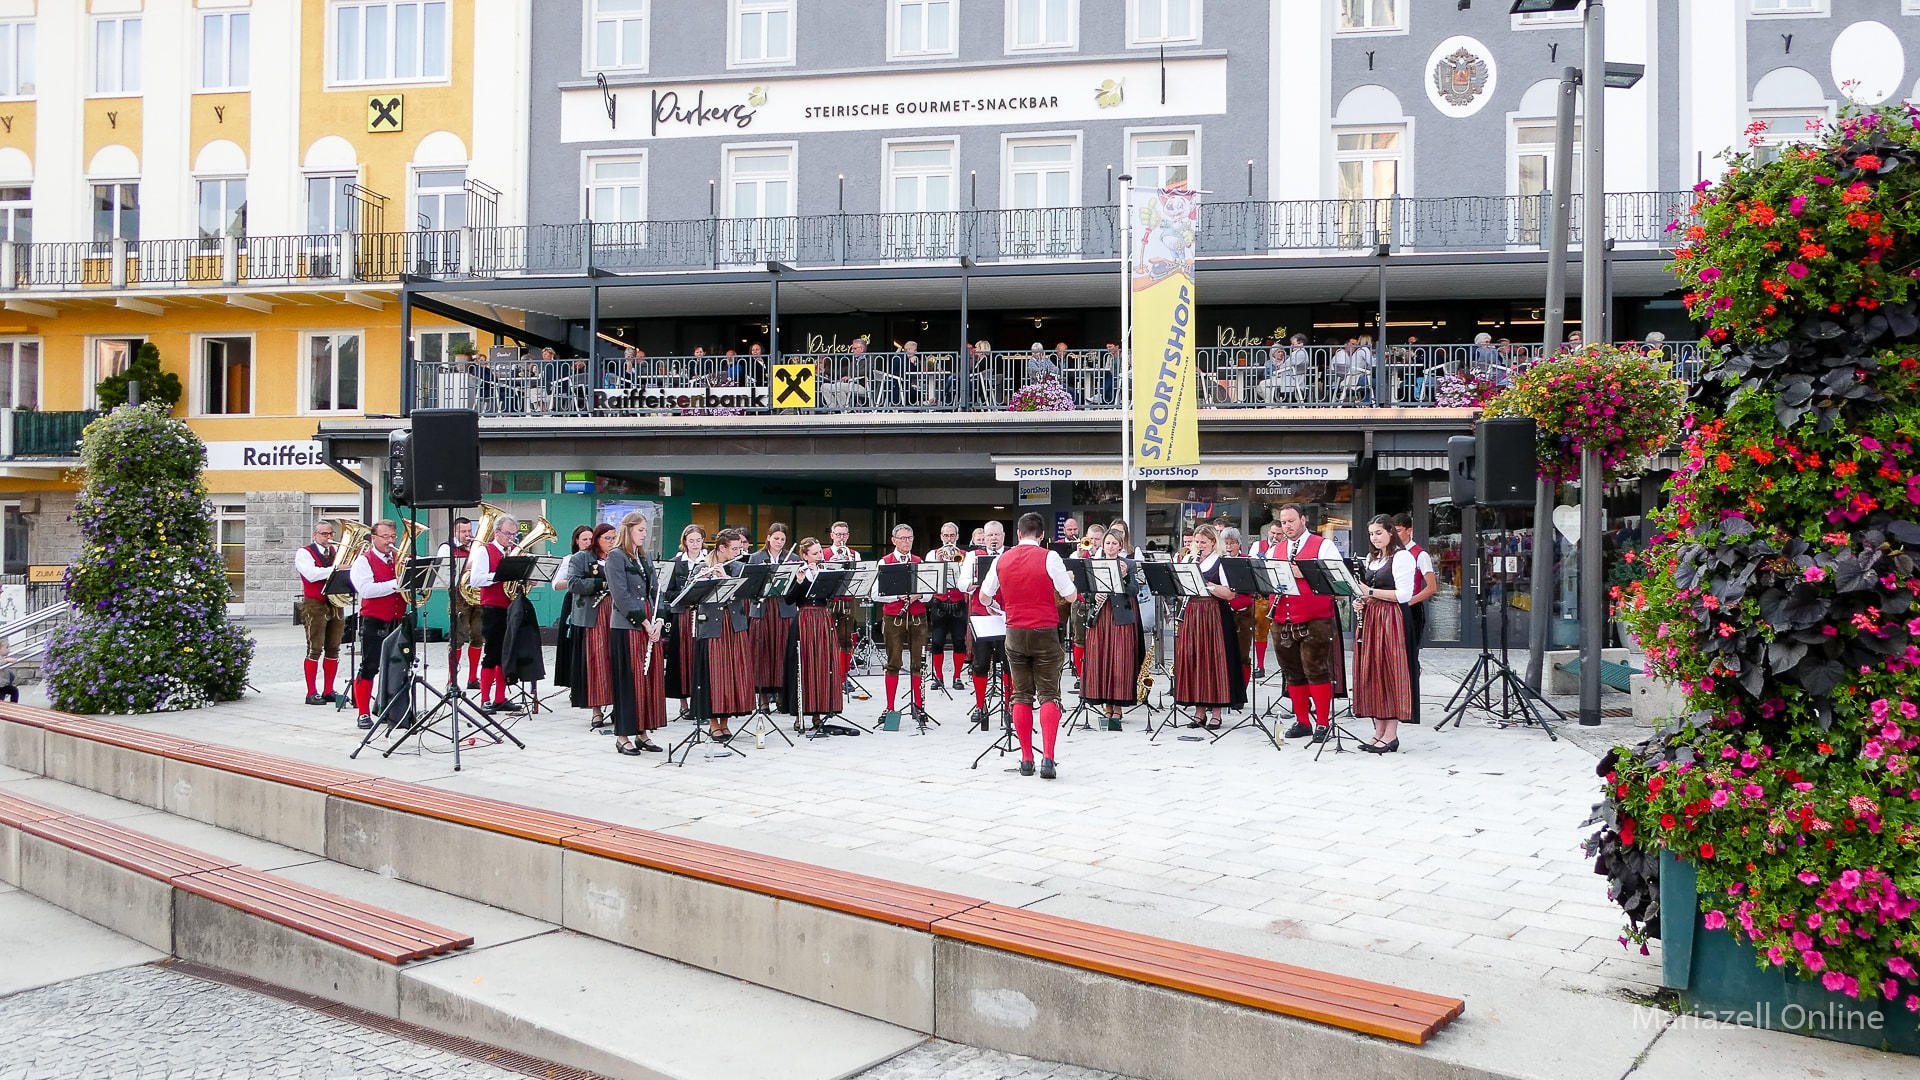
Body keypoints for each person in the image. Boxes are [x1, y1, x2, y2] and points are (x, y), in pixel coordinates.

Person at [979, 512, 1078, 779]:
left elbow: (984, 595)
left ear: (1019, 534)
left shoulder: (1002, 558)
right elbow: (1071, 595)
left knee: (1021, 694)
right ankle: (1048, 758)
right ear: (1043, 535)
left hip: (1015, 631)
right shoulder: (1050, 557)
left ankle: (1025, 759)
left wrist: (996, 608)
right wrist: (1068, 579)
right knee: (1049, 693)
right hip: (1045, 630)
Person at [1271, 504, 1342, 743]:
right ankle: (1303, 721)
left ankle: (1323, 722)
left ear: (1303, 520)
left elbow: (1337, 583)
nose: (1287, 526)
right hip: (1282, 618)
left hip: (1315, 618)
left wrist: (1306, 574)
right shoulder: (1276, 549)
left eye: (1291, 521)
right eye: (1283, 522)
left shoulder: (1324, 546)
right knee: (1292, 672)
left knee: (1317, 670)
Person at [605, 511, 667, 754]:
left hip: (649, 625)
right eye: (640, 529)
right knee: (628, 681)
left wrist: (659, 619)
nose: (644, 534)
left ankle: (642, 732)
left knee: (647, 680)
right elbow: (620, 595)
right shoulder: (615, 556)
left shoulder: (644, 556)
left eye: (645, 530)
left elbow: (656, 591)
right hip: (627, 627)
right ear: (629, 529)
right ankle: (622, 736)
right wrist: (644, 622)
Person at [1354, 515, 1416, 753]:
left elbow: (1403, 595)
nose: (1374, 538)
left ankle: (1391, 734)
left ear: (1391, 532)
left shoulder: (1402, 558)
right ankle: (1379, 731)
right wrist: (1363, 601)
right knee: (1373, 673)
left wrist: (1369, 591)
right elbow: (1370, 593)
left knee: (1389, 673)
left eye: (1379, 533)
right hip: (1372, 619)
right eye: (1371, 534)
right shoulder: (1374, 558)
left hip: (1391, 621)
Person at [1173, 525, 1245, 729]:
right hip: (1192, 613)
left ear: (1214, 542)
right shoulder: (1189, 560)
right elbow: (1180, 592)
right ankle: (1199, 712)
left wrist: (1204, 584)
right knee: (1193, 660)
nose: (1199, 545)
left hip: (1213, 613)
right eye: (1197, 542)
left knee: (1214, 661)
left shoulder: (1221, 562)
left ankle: (1216, 713)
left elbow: (1230, 593)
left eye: (1204, 542)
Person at [692, 528, 754, 740]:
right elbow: (691, 596)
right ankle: (712, 722)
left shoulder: (739, 568)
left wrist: (726, 577)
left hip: (734, 625)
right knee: (714, 674)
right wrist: (703, 580)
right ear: (721, 548)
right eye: (734, 549)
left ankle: (726, 722)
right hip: (712, 627)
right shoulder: (702, 566)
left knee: (733, 673)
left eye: (740, 548)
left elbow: (745, 595)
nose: (738, 552)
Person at [1083, 522, 1145, 727]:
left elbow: (1134, 591)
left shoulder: (1129, 564)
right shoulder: (1094, 563)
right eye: (1107, 543)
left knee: (1120, 660)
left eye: (1114, 543)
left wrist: (1126, 575)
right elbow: (1085, 592)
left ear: (1120, 545)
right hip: (1101, 617)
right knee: (1100, 658)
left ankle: (1118, 707)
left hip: (1121, 616)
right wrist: (1094, 595)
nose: (1110, 546)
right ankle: (1105, 706)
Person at [347, 520, 405, 730]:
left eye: (392, 537)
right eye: (386, 537)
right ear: (374, 538)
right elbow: (367, 590)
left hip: (398, 619)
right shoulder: (363, 561)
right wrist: (397, 583)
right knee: (370, 666)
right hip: (375, 619)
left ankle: (394, 708)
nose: (391, 541)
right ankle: (363, 712)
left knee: (400, 666)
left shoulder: (399, 558)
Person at [782, 537, 844, 733]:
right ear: (805, 555)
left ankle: (819, 713)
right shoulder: (798, 572)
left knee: (822, 666)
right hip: (804, 619)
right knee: (803, 665)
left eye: (820, 552)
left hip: (823, 619)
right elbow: (789, 600)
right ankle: (800, 713)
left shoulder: (825, 571)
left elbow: (833, 595)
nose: (819, 556)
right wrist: (800, 581)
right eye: (815, 553)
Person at [464, 512, 522, 714]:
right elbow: (476, 580)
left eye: (514, 535)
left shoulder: (513, 552)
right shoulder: (484, 551)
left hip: (510, 607)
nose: (511, 538)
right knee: (492, 654)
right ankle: (485, 698)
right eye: (508, 534)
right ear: (497, 532)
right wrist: (501, 575)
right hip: (492, 608)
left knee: (506, 654)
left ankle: (500, 697)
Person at [560, 524, 615, 732]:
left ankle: (618, 705)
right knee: (597, 661)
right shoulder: (581, 558)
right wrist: (601, 583)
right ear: (597, 539)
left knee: (617, 660)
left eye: (613, 538)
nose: (611, 542)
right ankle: (596, 710)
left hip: (616, 614)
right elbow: (573, 584)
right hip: (594, 616)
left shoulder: (618, 557)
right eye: (607, 538)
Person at [875, 523, 930, 721]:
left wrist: (919, 595)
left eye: (910, 538)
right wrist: (896, 595)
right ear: (894, 540)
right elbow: (876, 594)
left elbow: (929, 593)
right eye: (903, 538)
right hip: (894, 617)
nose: (907, 542)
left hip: (917, 616)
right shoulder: (885, 562)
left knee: (919, 663)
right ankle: (890, 708)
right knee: (894, 662)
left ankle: (918, 706)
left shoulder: (919, 561)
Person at [963, 519, 1012, 728]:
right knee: (981, 662)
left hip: (1005, 615)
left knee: (1008, 663)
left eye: (997, 535)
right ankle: (980, 705)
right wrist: (976, 582)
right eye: (989, 535)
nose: (993, 538)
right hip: (981, 615)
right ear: (984, 537)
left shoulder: (1011, 554)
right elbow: (962, 584)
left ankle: (1008, 706)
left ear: (1003, 536)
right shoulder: (974, 556)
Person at [1393, 513, 1438, 725]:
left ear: (1409, 530)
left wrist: (1408, 602)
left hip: (1411, 608)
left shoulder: (1420, 554)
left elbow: (1431, 587)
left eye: (1399, 530)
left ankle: (1409, 704)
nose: (1395, 534)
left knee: (1409, 656)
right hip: (1391, 606)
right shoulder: (1391, 552)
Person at [295, 520, 346, 706]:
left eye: (331, 534)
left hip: (335, 602)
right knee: (314, 648)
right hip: (315, 604)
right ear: (315, 535)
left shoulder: (335, 552)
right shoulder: (304, 552)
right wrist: (337, 569)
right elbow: (312, 574)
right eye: (324, 534)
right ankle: (311, 692)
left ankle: (328, 690)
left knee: (333, 647)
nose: (328, 538)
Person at [750, 523, 798, 714]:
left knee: (781, 653)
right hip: (762, 609)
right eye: (776, 538)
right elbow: (751, 585)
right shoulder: (756, 558)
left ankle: (781, 697)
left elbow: (796, 588)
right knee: (762, 652)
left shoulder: (792, 558)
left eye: (783, 539)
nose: (779, 542)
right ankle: (762, 699)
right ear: (768, 537)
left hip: (784, 610)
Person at [662, 525, 707, 718]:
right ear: (684, 542)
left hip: (703, 614)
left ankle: (701, 700)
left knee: (700, 657)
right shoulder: (675, 563)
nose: (695, 544)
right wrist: (686, 593)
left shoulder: (709, 561)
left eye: (698, 540)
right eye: (691, 541)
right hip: (683, 614)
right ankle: (683, 702)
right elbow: (667, 591)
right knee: (683, 657)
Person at [435, 517, 482, 690]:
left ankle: (473, 678)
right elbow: (443, 572)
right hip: (459, 599)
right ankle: (451, 680)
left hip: (477, 597)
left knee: (478, 637)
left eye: (469, 531)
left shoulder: (476, 548)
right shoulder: (447, 548)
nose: (468, 535)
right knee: (458, 639)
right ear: (454, 532)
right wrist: (467, 566)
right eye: (463, 532)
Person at [550, 525, 596, 699]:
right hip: (575, 602)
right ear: (577, 541)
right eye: (584, 539)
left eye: (591, 539)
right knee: (575, 642)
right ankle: (574, 683)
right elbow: (556, 584)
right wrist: (575, 580)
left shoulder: (597, 558)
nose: (588, 543)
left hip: (594, 603)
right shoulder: (570, 559)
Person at [925, 522, 971, 693]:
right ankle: (938, 677)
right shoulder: (933, 554)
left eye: (952, 536)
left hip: (959, 603)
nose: (949, 539)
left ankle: (957, 677)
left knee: (959, 642)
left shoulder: (966, 555)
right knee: (937, 642)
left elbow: (967, 580)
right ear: (941, 537)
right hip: (940, 604)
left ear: (957, 536)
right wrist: (939, 561)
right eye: (946, 536)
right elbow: (929, 576)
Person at [825, 521, 867, 699]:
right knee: (827, 638)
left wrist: (850, 564)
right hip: (830, 600)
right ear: (832, 536)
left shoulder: (854, 554)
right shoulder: (825, 553)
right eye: (838, 534)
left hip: (848, 600)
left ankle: (843, 677)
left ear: (848, 536)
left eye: (844, 535)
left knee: (846, 639)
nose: (841, 538)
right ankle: (828, 676)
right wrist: (830, 564)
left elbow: (859, 577)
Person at [1247, 519, 1287, 678]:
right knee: (1260, 632)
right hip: (1262, 596)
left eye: (1279, 534)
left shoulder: (1286, 548)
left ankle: (1285, 665)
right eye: (1273, 533)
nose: (1275, 537)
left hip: (1279, 595)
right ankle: (1260, 666)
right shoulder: (1258, 545)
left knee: (1281, 635)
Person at [1218, 527, 1257, 686]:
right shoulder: (1217, 560)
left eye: (1232, 543)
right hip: (1223, 611)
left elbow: (1253, 586)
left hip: (1243, 613)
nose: (1229, 547)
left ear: (1239, 544)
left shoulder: (1247, 560)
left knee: (1242, 653)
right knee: (1223, 652)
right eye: (1226, 543)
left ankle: (1241, 690)